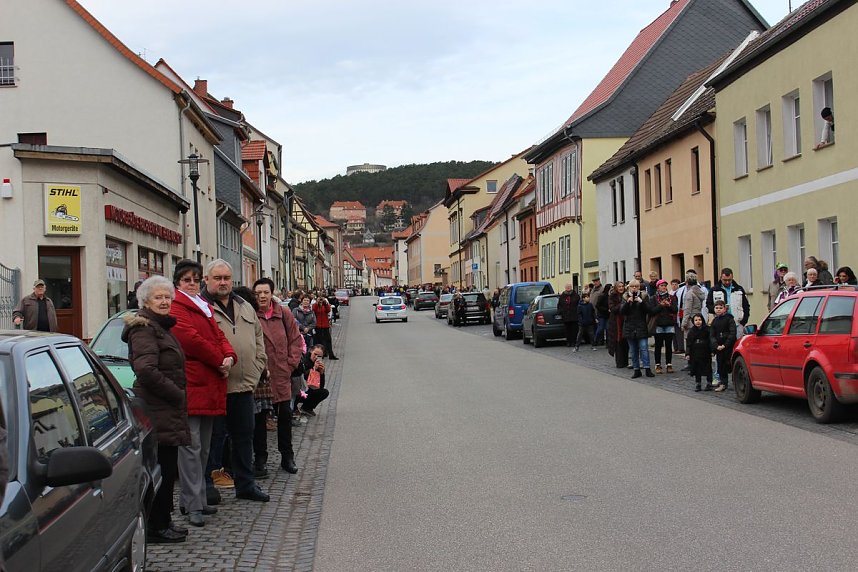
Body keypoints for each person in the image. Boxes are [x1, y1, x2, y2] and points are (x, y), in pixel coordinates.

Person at [122, 276, 191, 543]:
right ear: (145, 301)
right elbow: (146, 370)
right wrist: (176, 394)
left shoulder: (160, 326)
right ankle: (156, 526)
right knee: (160, 469)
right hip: (156, 408)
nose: (164, 302)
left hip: (165, 409)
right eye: (158, 297)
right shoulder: (144, 329)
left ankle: (164, 521)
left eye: (167, 297)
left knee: (167, 468)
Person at [170, 259, 237, 527]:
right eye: (187, 280)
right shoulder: (177, 306)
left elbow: (219, 336)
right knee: (191, 448)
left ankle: (195, 499)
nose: (192, 284)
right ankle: (192, 504)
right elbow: (191, 341)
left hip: (209, 386)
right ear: (178, 282)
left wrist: (229, 356)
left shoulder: (203, 306)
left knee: (203, 448)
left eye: (196, 280)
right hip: (193, 384)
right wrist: (220, 360)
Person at [201, 260, 269, 502]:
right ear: (207, 280)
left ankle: (246, 485)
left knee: (244, 438)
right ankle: (206, 486)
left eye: (227, 278)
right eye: (217, 278)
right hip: (215, 387)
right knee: (212, 440)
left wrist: (256, 370)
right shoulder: (201, 308)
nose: (223, 282)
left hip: (244, 387)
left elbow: (259, 340)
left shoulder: (244, 306)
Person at [254, 277, 304, 474]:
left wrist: (290, 364)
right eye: (258, 293)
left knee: (284, 417)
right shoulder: (251, 314)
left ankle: (287, 457)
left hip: (282, 374)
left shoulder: (283, 314)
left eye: (265, 292)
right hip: (261, 377)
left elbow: (295, 339)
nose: (262, 296)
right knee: (259, 421)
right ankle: (260, 459)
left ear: (272, 293)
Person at [621, 280, 654, 378]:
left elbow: (649, 310)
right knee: (633, 350)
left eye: (636, 286)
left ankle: (647, 368)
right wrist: (628, 302)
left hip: (641, 326)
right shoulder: (625, 296)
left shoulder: (644, 296)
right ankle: (636, 369)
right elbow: (622, 311)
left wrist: (641, 302)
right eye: (632, 286)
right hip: (629, 327)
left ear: (639, 287)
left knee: (644, 348)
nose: (634, 288)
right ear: (629, 287)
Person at [705, 268, 750, 338]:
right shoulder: (714, 290)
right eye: (725, 280)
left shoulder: (739, 289)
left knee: (737, 344)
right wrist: (718, 309)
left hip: (737, 324)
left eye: (729, 280)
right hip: (721, 325)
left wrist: (744, 321)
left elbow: (746, 306)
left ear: (732, 278)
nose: (727, 282)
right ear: (721, 278)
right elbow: (708, 306)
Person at [648, 279, 677, 374]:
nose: (664, 287)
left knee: (668, 345)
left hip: (669, 323)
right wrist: (660, 305)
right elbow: (651, 311)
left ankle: (669, 364)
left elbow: (675, 310)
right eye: (662, 286)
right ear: (658, 287)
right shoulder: (653, 298)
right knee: (658, 345)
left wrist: (669, 305)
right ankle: (657, 364)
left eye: (665, 285)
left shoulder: (671, 297)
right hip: (658, 324)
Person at [710, 300, 737, 392]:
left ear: (725, 309)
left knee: (730, 365)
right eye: (716, 308)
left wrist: (725, 345)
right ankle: (723, 383)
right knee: (721, 366)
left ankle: (736, 382)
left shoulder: (729, 319)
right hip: (719, 347)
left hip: (729, 347)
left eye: (720, 308)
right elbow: (712, 335)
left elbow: (732, 333)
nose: (718, 310)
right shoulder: (714, 321)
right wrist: (715, 345)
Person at [296, 344, 330, 416]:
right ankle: (297, 407)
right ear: (311, 351)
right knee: (311, 391)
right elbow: (305, 377)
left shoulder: (318, 364)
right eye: (315, 354)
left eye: (319, 356)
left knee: (324, 392)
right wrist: (314, 369)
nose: (316, 357)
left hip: (309, 390)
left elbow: (320, 386)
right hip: (300, 390)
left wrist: (321, 373)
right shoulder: (304, 361)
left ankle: (307, 408)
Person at [685, 313, 713, 392]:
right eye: (696, 320)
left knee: (708, 368)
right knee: (697, 369)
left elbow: (711, 341)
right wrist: (687, 353)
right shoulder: (692, 331)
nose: (698, 322)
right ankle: (698, 383)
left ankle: (709, 383)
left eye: (700, 320)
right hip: (695, 352)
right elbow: (689, 343)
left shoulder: (707, 329)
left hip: (706, 351)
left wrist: (712, 350)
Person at [607, 282, 628, 369]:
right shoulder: (612, 296)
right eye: (619, 286)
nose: (621, 288)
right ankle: (620, 362)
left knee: (626, 342)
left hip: (626, 320)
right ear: (616, 288)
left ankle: (626, 362)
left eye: (622, 286)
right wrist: (622, 304)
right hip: (616, 322)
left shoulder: (627, 295)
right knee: (618, 341)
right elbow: (613, 309)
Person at [313, 295, 338, 360]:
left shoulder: (325, 305)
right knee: (320, 341)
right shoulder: (315, 305)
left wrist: (325, 302)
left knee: (328, 340)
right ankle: (322, 354)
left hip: (325, 325)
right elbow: (314, 310)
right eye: (320, 299)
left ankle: (331, 355)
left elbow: (328, 310)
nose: (321, 301)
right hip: (318, 326)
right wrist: (317, 303)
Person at [593, 277, 609, 345]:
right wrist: (605, 309)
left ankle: (608, 342)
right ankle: (595, 340)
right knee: (600, 328)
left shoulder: (602, 291)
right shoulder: (600, 294)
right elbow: (598, 305)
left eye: (596, 281)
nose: (595, 283)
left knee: (607, 328)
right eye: (594, 281)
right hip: (601, 314)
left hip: (607, 315)